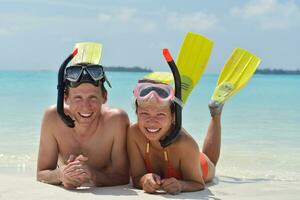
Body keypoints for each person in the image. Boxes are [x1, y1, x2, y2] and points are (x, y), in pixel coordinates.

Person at [37, 46, 129, 189]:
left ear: (104, 97)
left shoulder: (116, 121)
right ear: (66, 98)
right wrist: (60, 175)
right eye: (78, 98)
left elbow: (122, 176)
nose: (85, 107)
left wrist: (92, 175)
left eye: (92, 97)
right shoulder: (53, 118)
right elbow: (41, 173)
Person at [127, 79, 222, 194]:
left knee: (211, 162)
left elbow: (198, 184)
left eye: (160, 114)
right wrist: (144, 180)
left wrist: (181, 185)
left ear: (173, 116)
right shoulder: (133, 133)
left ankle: (215, 114)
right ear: (136, 112)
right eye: (144, 113)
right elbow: (137, 177)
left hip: (200, 164)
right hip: (187, 155)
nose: (151, 122)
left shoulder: (185, 144)